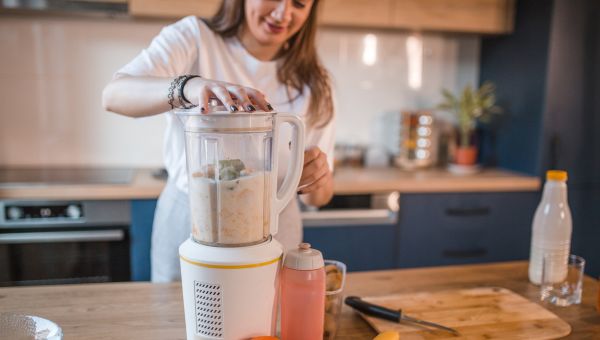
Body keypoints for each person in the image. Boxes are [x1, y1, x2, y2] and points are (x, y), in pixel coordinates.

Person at [102, 0, 335, 282]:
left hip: (273, 222)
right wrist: (188, 86)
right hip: (192, 215)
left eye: (299, 3)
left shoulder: (313, 82)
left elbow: (319, 198)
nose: (283, 13)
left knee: (265, 323)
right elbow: (114, 95)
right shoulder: (194, 37)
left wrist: (316, 176)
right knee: (175, 318)